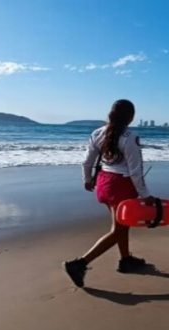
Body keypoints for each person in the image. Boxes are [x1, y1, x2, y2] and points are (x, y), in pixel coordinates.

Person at [64, 99, 154, 287]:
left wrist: (87, 179)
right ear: (130, 117)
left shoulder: (97, 132)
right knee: (118, 230)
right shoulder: (130, 137)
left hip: (104, 184)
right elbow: (136, 171)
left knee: (121, 225)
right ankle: (80, 264)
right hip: (122, 186)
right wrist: (145, 195)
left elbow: (87, 162)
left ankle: (126, 260)